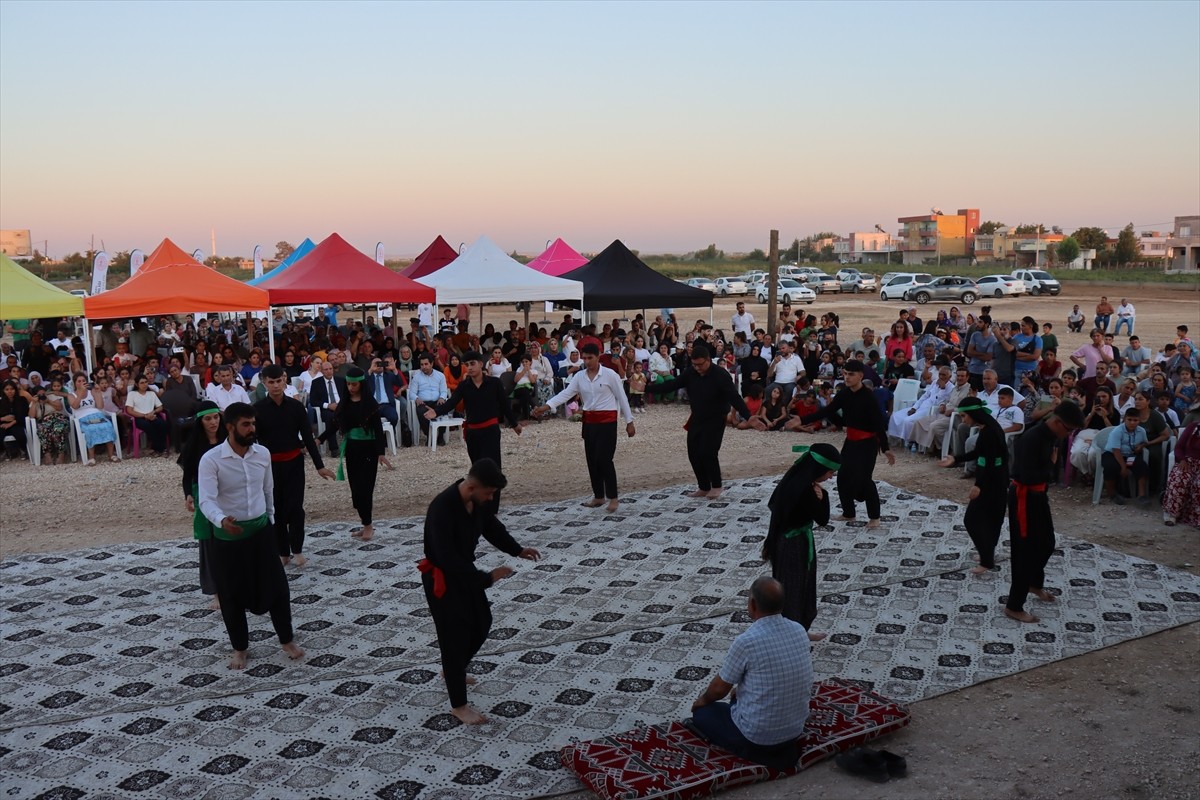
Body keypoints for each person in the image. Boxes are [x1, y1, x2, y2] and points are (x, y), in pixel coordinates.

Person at [418, 459, 541, 724]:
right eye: (489, 492)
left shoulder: (477, 503)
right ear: (472, 486)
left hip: (465, 576)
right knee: (454, 638)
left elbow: (492, 528)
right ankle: (459, 705)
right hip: (443, 579)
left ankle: (454, 670)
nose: (491, 497)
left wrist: (517, 549)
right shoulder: (442, 508)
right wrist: (487, 578)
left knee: (482, 622)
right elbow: (447, 558)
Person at [197, 402, 305, 670]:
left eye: (253, 423)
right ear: (230, 427)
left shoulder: (262, 454)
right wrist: (222, 520)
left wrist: (269, 520)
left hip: (261, 532)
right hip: (227, 538)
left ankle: (286, 639)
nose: (252, 429)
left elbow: (268, 491)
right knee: (231, 595)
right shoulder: (211, 460)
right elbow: (206, 500)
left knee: (278, 589)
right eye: (246, 424)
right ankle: (240, 648)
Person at [689, 577, 813, 771]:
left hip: (757, 737)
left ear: (753, 604)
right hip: (794, 729)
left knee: (704, 715)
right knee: (737, 697)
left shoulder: (746, 641)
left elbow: (719, 690)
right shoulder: (799, 630)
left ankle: (755, 753)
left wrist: (702, 701)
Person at [1005, 401, 1084, 623]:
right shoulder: (1031, 438)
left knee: (1046, 542)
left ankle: (1034, 583)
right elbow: (1029, 475)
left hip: (1039, 495)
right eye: (1068, 429)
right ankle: (1013, 605)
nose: (1069, 434)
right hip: (1024, 496)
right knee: (1024, 552)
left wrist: (1049, 470)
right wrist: (1050, 467)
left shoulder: (1053, 436)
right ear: (1058, 422)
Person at [535, 343, 635, 512]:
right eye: (585, 358)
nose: (587, 361)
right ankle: (598, 496)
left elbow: (622, 398)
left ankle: (613, 497)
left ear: (598, 357)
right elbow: (565, 394)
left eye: (591, 358)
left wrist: (629, 422)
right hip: (589, 423)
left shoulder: (610, 375)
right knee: (592, 460)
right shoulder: (579, 376)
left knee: (605, 460)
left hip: (608, 423)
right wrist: (546, 406)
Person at [645, 342, 752, 500]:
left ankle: (716, 485)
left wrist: (749, 417)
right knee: (693, 452)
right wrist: (646, 388)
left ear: (708, 360)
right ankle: (703, 486)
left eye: (700, 364)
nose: (697, 368)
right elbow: (672, 385)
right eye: (694, 364)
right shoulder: (690, 373)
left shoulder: (721, 375)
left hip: (716, 418)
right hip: (697, 417)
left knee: (708, 452)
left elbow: (734, 397)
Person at [796, 361, 896, 528]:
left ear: (860, 376)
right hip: (851, 441)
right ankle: (849, 513)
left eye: (851, 374)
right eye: (845, 374)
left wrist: (885, 448)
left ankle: (874, 517)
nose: (847, 377)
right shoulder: (844, 394)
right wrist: (801, 419)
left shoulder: (868, 397)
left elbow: (878, 424)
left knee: (864, 479)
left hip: (868, 443)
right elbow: (828, 411)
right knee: (842, 476)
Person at [254, 364, 335, 566]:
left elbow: (308, 437)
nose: (275, 386)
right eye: (270, 382)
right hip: (270, 467)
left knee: (295, 508)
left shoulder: (296, 407)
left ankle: (297, 548)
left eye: (278, 381)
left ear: (284, 380)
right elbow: (252, 441)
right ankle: (283, 552)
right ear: (265, 383)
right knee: (276, 510)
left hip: (294, 464)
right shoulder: (257, 410)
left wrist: (319, 466)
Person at [424, 352, 525, 510]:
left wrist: (514, 424)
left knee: (493, 467)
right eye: (467, 365)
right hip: (472, 433)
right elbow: (451, 402)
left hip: (491, 431)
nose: (469, 368)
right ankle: (480, 502)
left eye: (472, 364)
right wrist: (436, 412)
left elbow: (505, 404)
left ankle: (493, 507)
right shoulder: (464, 386)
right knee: (477, 469)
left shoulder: (494, 383)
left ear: (480, 364)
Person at [762, 444, 840, 639]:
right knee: (794, 589)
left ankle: (799, 630)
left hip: (786, 540)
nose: (830, 477)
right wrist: (824, 497)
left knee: (798, 586)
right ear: (820, 468)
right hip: (794, 545)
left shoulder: (794, 479)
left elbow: (774, 507)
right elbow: (822, 519)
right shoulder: (806, 489)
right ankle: (792, 635)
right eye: (830, 472)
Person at [940, 397, 1009, 574]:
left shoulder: (990, 432)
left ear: (973, 414)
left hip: (993, 479)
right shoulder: (988, 427)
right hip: (996, 477)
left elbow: (990, 462)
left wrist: (979, 485)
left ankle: (986, 560)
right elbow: (979, 453)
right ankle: (988, 554)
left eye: (964, 416)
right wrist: (956, 458)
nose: (963, 420)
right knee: (991, 518)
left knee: (971, 520)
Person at [178, 401, 226, 608]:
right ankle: (215, 592)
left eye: (216, 417)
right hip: (204, 495)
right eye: (208, 418)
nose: (213, 422)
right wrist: (188, 494)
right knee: (209, 544)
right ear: (200, 421)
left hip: (229, 494)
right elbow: (188, 473)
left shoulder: (228, 440)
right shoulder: (194, 443)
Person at [335, 366, 386, 540]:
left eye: (354, 385)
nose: (351, 388)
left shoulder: (370, 404)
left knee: (366, 489)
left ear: (361, 385)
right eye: (348, 384)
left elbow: (378, 429)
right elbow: (335, 424)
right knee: (355, 490)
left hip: (369, 450)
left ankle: (368, 525)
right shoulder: (345, 403)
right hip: (352, 449)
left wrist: (381, 452)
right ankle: (365, 523)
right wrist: (319, 439)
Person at [1102, 409, 1150, 505]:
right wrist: (1123, 467)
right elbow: (1116, 450)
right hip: (1113, 454)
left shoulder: (1141, 431)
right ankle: (1112, 494)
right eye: (1129, 419)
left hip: (1130, 455)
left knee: (1142, 466)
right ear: (1124, 419)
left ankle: (1142, 495)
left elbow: (1145, 442)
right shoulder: (1117, 431)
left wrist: (1141, 446)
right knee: (1111, 467)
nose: (1132, 422)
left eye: (1135, 420)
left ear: (1139, 420)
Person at [1162, 421, 1200, 527]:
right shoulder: (1193, 426)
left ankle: (1197, 518)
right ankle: (1171, 514)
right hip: (1187, 461)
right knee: (1179, 478)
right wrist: (1182, 459)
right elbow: (1178, 447)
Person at [125, 374, 169, 456]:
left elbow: (160, 407)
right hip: (140, 417)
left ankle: (156, 449)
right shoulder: (132, 394)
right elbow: (129, 410)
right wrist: (144, 416)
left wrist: (153, 412)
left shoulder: (151, 393)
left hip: (152, 415)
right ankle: (161, 449)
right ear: (137, 384)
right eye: (142, 383)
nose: (144, 384)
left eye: (146, 382)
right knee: (148, 426)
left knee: (163, 424)